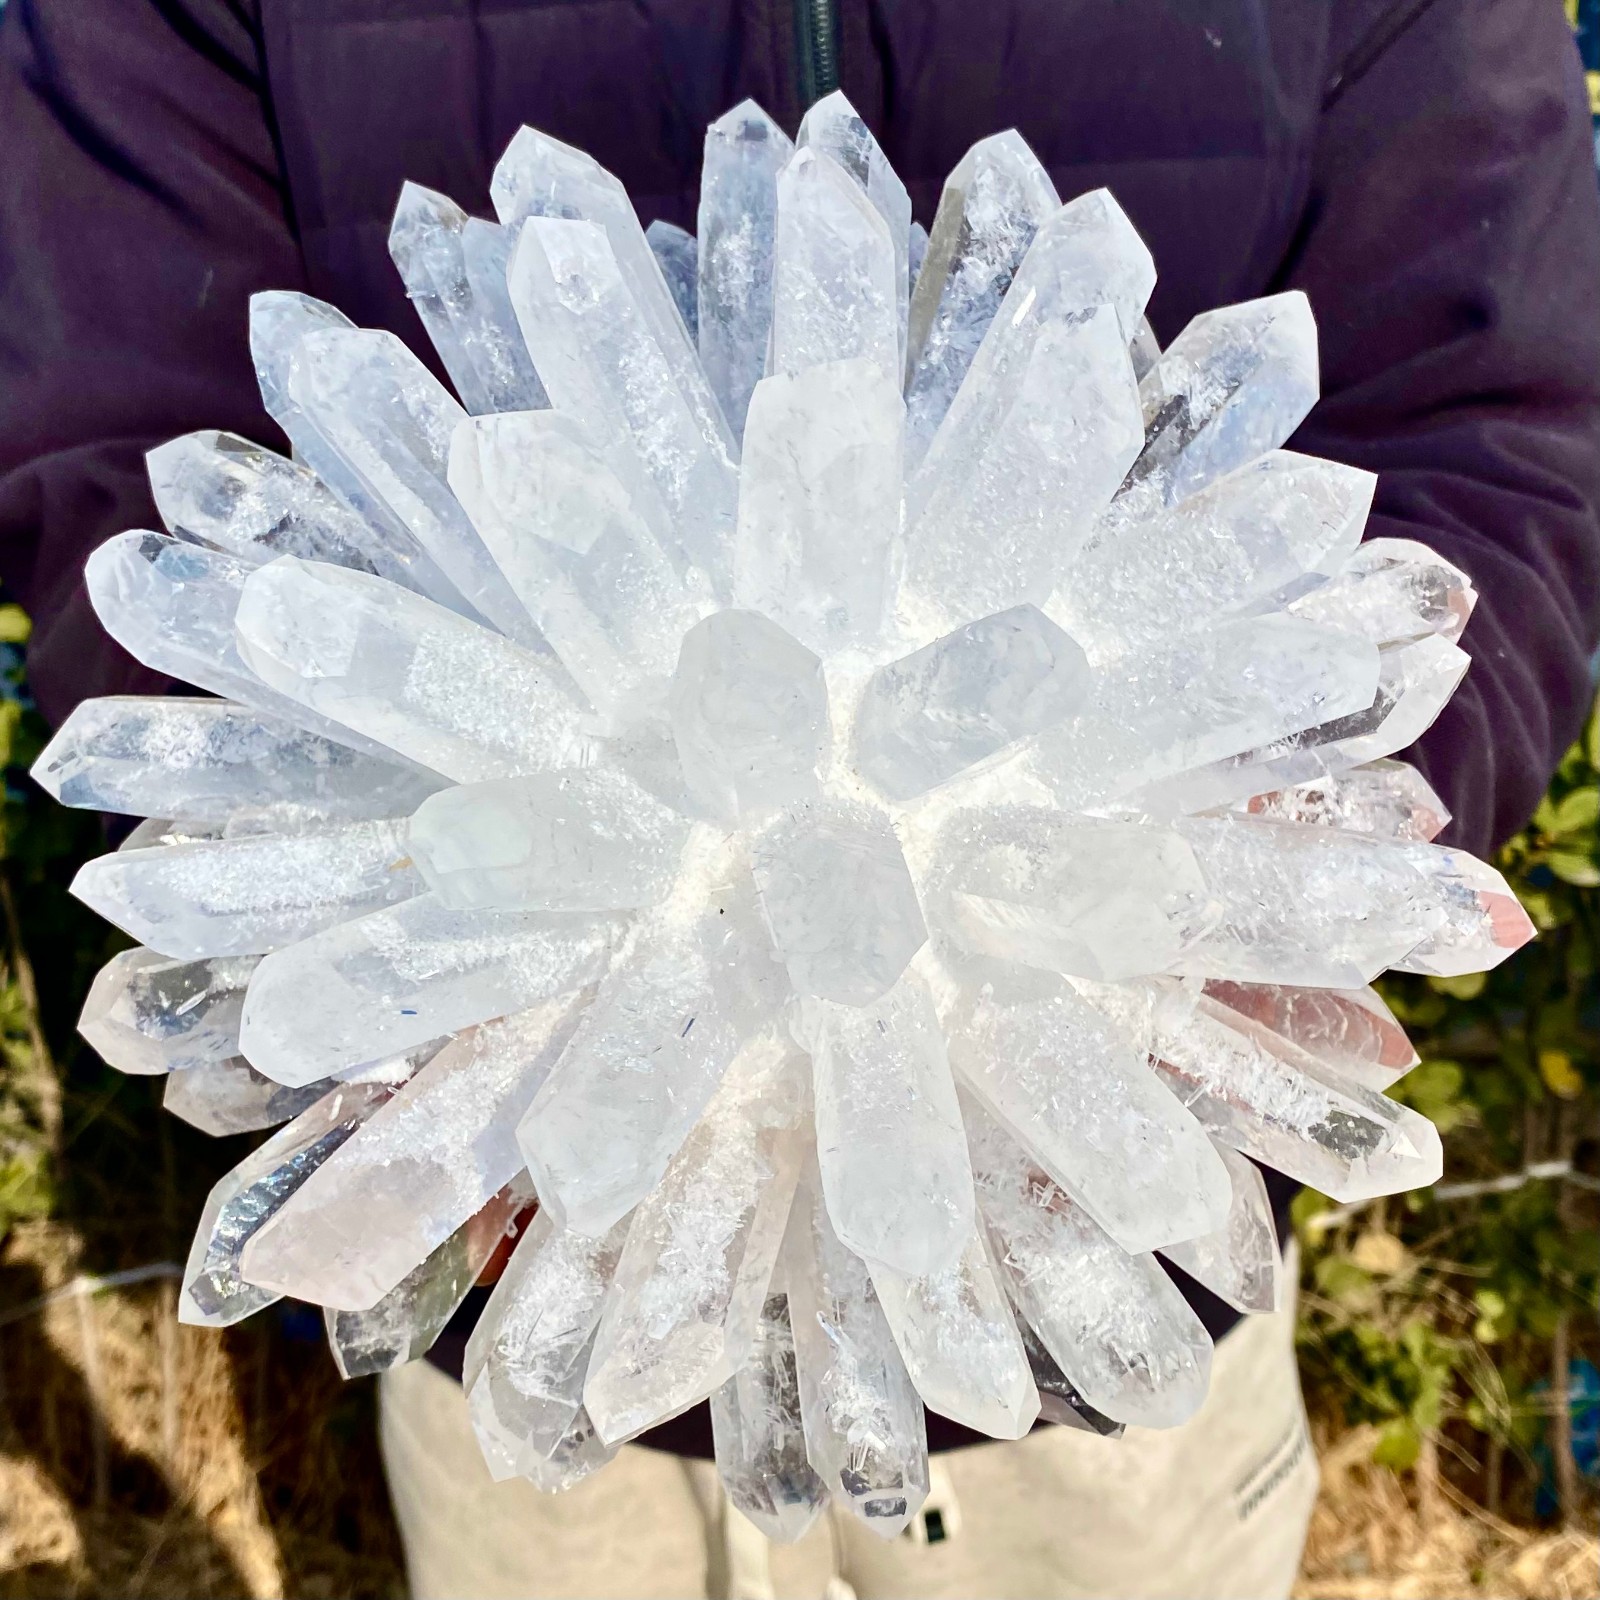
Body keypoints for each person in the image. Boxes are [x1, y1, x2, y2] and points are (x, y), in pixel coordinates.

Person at [2, 2, 1598, 1596]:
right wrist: (351, 970)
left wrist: (1285, 865)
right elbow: (123, 459)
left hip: (1096, 1317)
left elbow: (1510, 430)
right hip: (539, 1316)